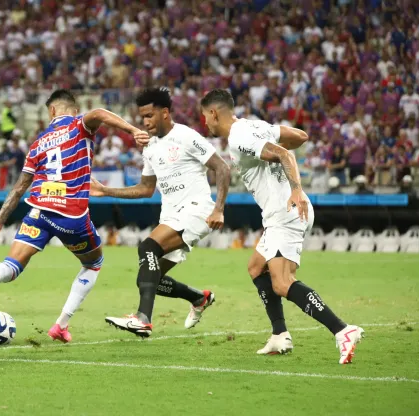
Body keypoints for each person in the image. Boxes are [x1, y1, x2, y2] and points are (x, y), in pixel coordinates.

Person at [0, 89, 149, 343]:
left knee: (14, 264)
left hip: (39, 210)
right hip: (70, 214)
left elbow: (19, 187)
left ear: (51, 111)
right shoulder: (79, 125)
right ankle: (60, 325)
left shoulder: (37, 143)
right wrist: (132, 131)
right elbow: (98, 113)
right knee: (93, 264)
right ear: (73, 110)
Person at [199, 89, 363, 365]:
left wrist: (295, 190)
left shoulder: (239, 136)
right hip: (281, 213)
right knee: (255, 267)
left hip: (285, 212)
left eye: (205, 117)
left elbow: (285, 153)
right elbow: (300, 136)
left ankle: (343, 330)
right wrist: (271, 140)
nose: (205, 123)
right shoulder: (256, 126)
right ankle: (279, 335)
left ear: (214, 113)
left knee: (283, 282)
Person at [91, 87, 231, 337]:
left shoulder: (186, 136)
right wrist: (105, 191)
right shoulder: (150, 147)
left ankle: (143, 319)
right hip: (171, 216)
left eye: (150, 115)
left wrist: (219, 209)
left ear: (165, 113)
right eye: (142, 117)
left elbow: (222, 168)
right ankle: (199, 298)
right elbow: (146, 189)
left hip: (198, 210)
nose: (145, 122)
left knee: (147, 248)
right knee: (148, 277)